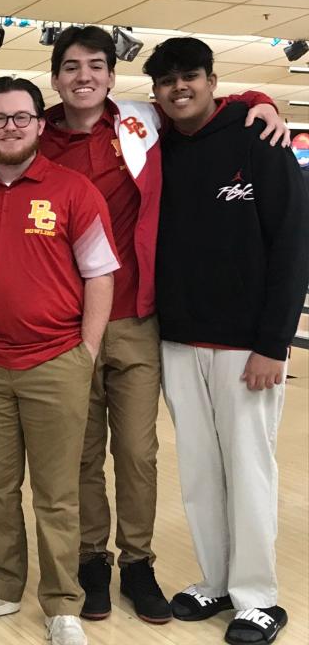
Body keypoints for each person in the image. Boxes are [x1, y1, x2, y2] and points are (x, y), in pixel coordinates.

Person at [0, 25, 290, 624]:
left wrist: (263, 99)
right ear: (56, 78)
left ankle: (138, 562)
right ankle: (90, 561)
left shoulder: (140, 122)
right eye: (71, 67)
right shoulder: (37, 134)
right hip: (65, 328)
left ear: (111, 74)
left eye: (96, 66)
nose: (83, 77)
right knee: (78, 456)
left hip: (137, 318)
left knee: (136, 453)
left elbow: (202, 100)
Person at [145, 37, 309, 645]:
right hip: (181, 341)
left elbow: (293, 245)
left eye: (190, 77)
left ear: (214, 81)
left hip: (248, 348)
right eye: (166, 82)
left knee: (249, 469)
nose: (178, 88)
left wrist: (274, 342)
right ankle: (216, 579)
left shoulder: (257, 138)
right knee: (200, 471)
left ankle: (258, 597)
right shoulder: (160, 147)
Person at [0, 77, 117, 645]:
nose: (12, 127)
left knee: (57, 492)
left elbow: (99, 274)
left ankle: (63, 601)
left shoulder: (74, 191)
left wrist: (86, 354)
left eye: (22, 117)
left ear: (40, 126)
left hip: (56, 361)